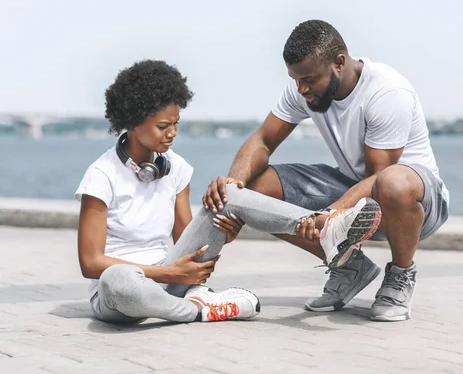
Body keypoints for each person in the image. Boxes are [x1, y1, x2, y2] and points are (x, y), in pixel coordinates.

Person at [75, 59, 382, 324]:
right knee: (118, 280)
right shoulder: (101, 176)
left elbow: (186, 239)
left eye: (177, 124)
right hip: (125, 290)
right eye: (162, 126)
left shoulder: (176, 167)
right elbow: (90, 263)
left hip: (172, 273)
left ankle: (322, 226)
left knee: (229, 192)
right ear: (132, 122)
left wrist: (224, 228)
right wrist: (169, 274)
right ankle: (199, 309)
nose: (172, 134)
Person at [203, 19, 450, 322]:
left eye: (308, 79)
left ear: (339, 63)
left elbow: (378, 177)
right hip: (356, 187)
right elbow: (263, 139)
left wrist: (327, 215)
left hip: (414, 202)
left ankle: (401, 273)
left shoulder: (387, 91)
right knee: (255, 192)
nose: (301, 88)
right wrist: (234, 191)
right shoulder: (303, 87)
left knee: (393, 182)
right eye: (295, 79)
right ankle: (349, 266)